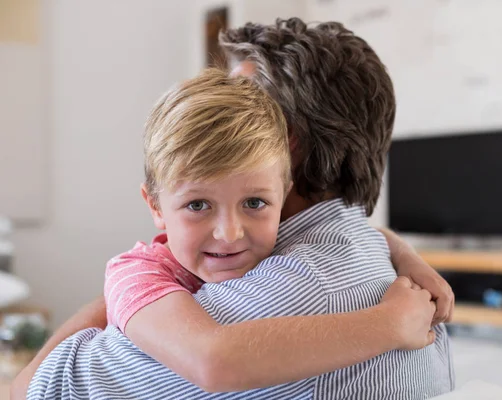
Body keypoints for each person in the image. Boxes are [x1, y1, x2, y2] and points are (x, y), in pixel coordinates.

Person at [15, 18, 455, 400]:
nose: (213, 116)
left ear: (283, 144)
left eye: (237, 102)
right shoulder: (372, 262)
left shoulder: (291, 297)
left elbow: (35, 389)